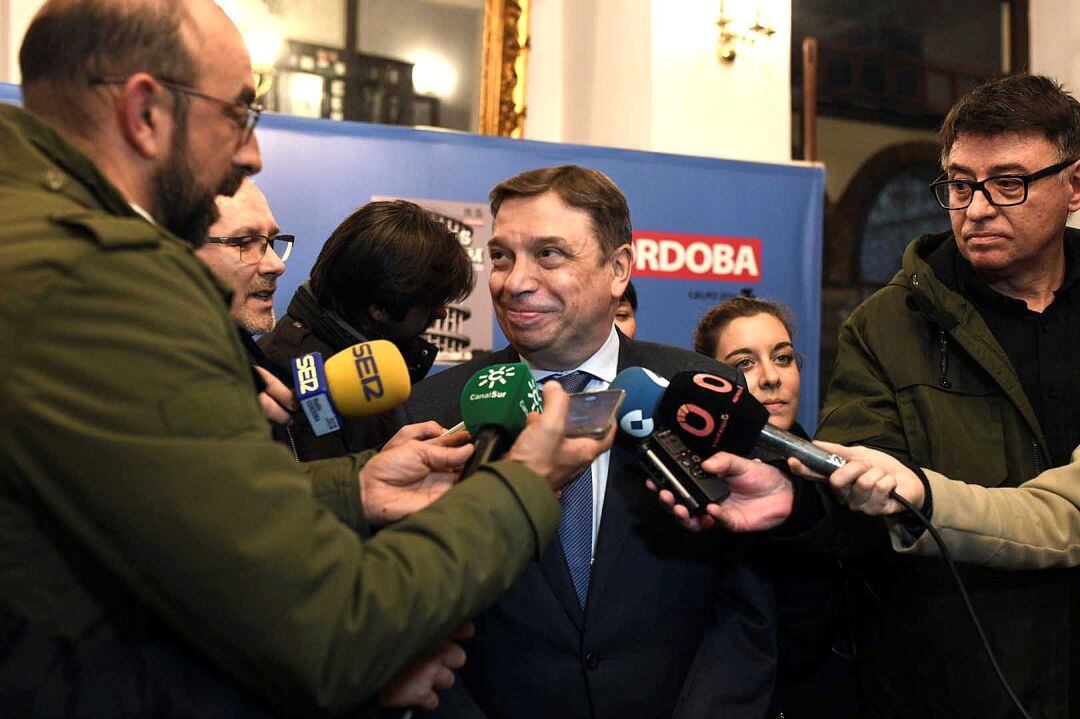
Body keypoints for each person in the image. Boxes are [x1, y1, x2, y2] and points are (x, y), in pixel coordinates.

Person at [0, 2, 613, 715]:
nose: (251, 153)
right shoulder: (103, 277)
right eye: (238, 114)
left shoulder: (31, 231)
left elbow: (160, 506)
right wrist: (521, 485)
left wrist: (353, 489)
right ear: (145, 113)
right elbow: (329, 629)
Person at [666, 74, 1080, 718]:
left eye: (1008, 183)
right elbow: (858, 509)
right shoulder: (886, 326)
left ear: (1074, 186)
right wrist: (799, 506)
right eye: (960, 184)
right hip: (944, 686)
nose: (975, 209)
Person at [406, 165, 777, 719]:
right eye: (502, 256)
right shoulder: (433, 413)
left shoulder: (699, 393)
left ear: (619, 269)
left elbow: (745, 604)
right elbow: (413, 619)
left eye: (549, 254)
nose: (514, 282)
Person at [260, 199, 474, 456]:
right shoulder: (277, 378)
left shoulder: (373, 359)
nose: (441, 312)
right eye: (431, 302)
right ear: (380, 308)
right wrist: (376, 465)